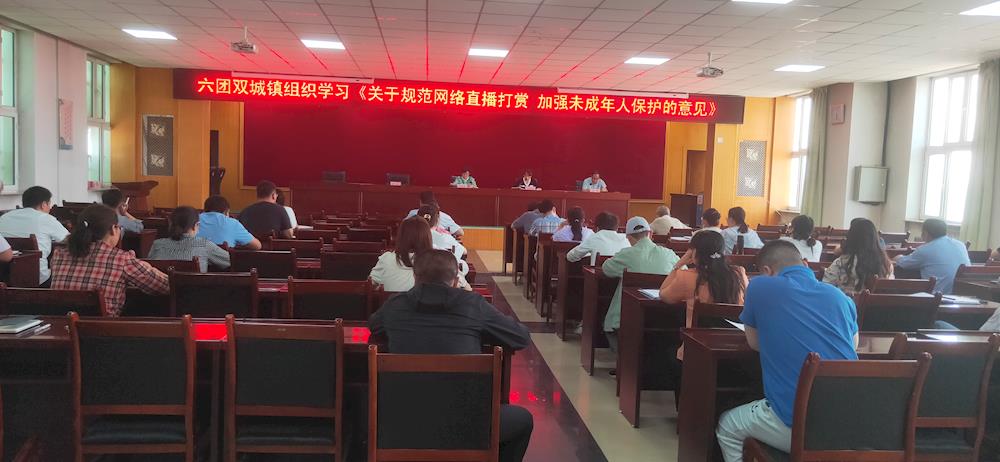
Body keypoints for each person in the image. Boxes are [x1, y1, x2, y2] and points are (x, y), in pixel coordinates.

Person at [369, 249, 533, 462]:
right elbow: (520, 338)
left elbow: (374, 326)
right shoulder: (473, 305)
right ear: (456, 280)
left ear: (415, 277)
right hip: (467, 426)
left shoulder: (395, 306)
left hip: (402, 423)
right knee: (523, 420)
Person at [716, 240, 858, 462]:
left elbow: (754, 343)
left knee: (727, 426)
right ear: (805, 263)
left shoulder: (760, 286)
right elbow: (854, 345)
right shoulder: (840, 297)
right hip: (853, 424)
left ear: (766, 271)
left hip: (801, 427)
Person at [50, 205, 169, 317]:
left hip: (60, 325)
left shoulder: (59, 254)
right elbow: (165, 286)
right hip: (102, 329)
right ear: (113, 228)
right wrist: (150, 268)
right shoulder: (121, 259)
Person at [660, 230, 748, 349]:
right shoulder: (739, 274)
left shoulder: (686, 277)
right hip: (735, 345)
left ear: (695, 252)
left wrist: (678, 265)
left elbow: (663, 295)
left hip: (697, 347)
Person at [602, 217, 680, 350]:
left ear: (628, 237)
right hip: (666, 320)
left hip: (630, 319)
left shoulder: (627, 254)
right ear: (650, 234)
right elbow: (683, 273)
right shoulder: (669, 254)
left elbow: (606, 269)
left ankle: (624, 356)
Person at [0, 186, 70, 285]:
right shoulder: (45, 218)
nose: (50, 208)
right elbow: (69, 240)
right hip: (37, 278)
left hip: (4, 278)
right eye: (49, 204)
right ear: (43, 204)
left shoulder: (4, 217)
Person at [894, 218, 971, 294]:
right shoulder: (961, 245)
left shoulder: (925, 249)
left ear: (925, 233)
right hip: (963, 295)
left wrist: (898, 257)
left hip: (938, 296)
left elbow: (903, 264)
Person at [823, 218, 893, 296]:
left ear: (852, 238)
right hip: (877, 303)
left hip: (848, 303)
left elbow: (826, 288)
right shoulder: (887, 265)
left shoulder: (842, 263)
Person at [149, 206, 231, 273]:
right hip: (193, 288)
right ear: (196, 225)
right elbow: (232, 262)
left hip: (161, 288)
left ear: (170, 223)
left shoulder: (157, 244)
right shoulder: (204, 245)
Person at [417, 203, 472, 289]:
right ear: (438, 220)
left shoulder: (411, 237)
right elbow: (464, 252)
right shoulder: (445, 238)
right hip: (446, 283)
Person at [370, 217, 433, 292]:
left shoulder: (387, 259)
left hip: (393, 299)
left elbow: (370, 284)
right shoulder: (436, 263)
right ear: (428, 237)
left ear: (401, 236)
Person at [197, 195, 262, 250]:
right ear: (226, 212)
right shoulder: (233, 223)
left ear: (204, 210)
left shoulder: (194, 220)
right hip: (223, 260)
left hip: (195, 260)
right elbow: (257, 246)